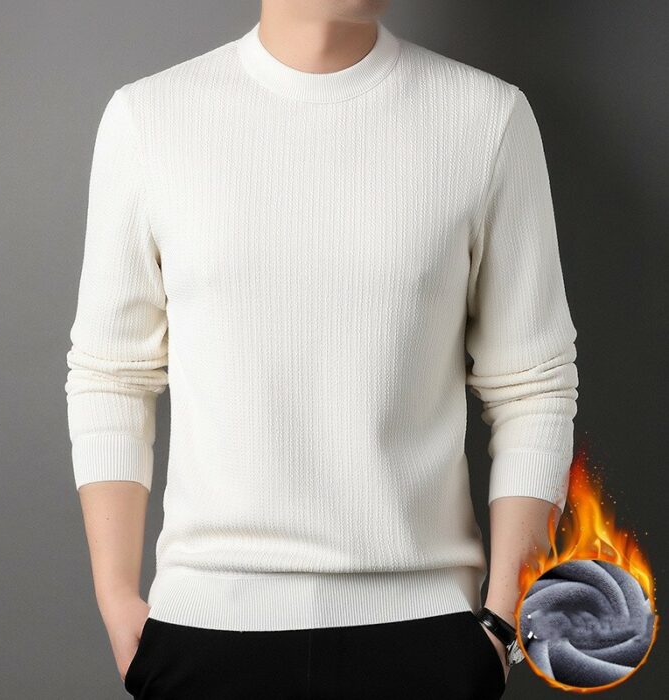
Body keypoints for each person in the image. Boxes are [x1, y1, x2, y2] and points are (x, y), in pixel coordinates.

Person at [65, 1, 579, 697]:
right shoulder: (149, 118)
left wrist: (502, 622)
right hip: (204, 629)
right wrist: (115, 595)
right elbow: (111, 373)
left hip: (425, 634)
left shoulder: (485, 118)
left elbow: (533, 384)